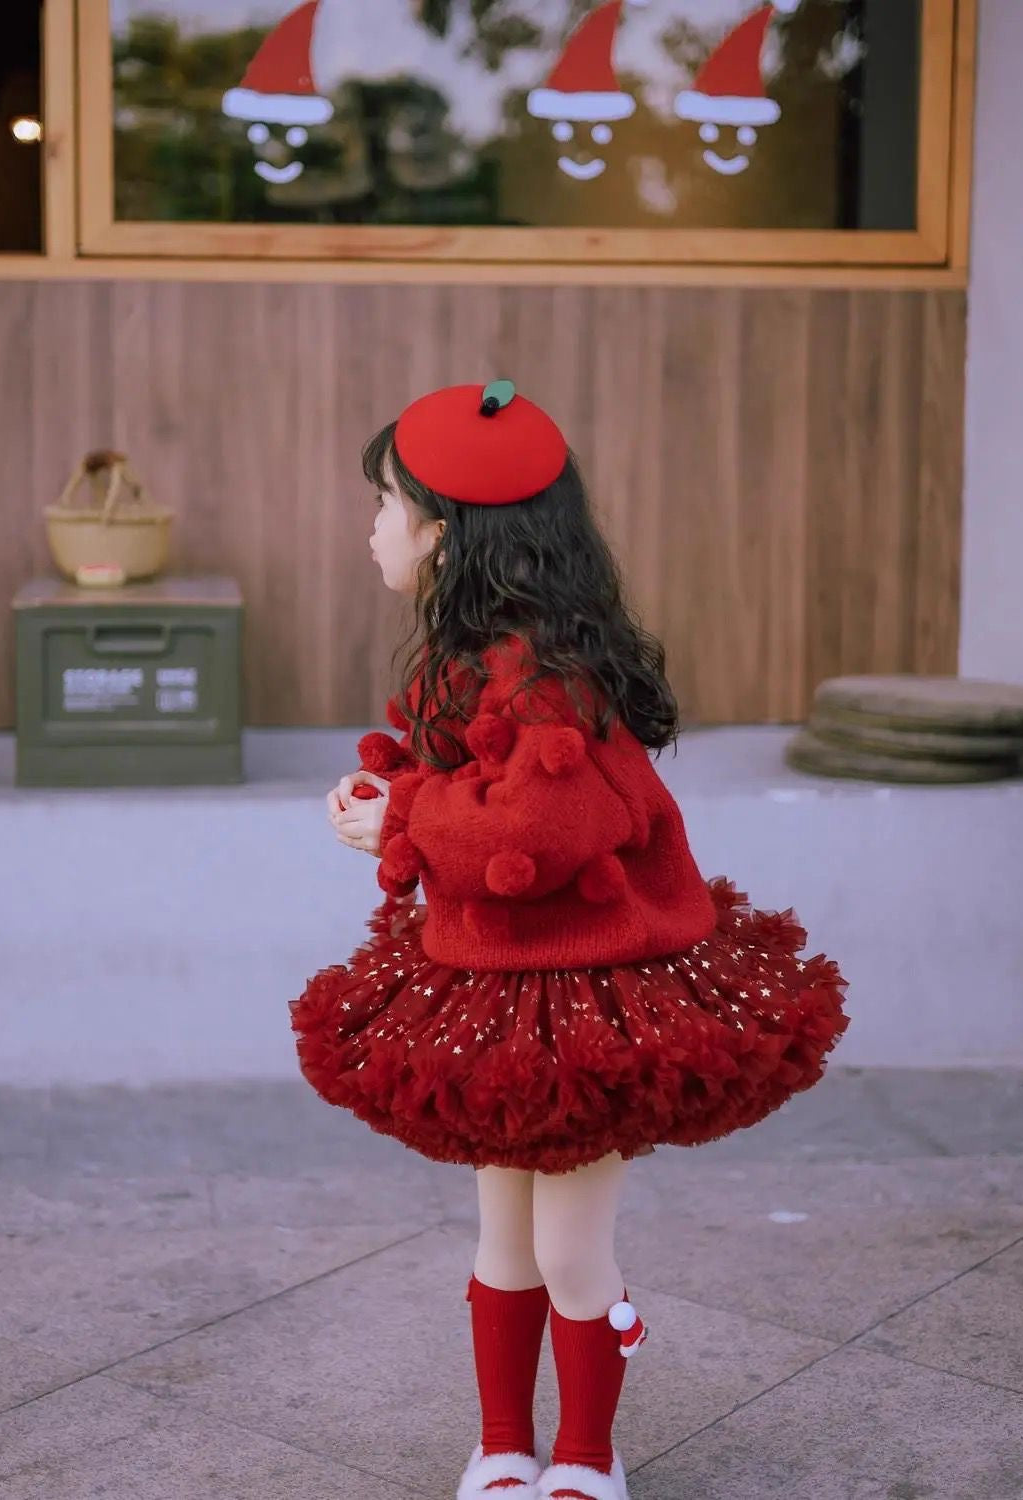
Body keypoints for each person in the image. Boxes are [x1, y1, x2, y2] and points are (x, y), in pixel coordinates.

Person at [289, 380, 849, 1500]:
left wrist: (399, 821)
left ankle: (588, 1455)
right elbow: (468, 782)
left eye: (385, 505)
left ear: (445, 537)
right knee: (503, 1235)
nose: (370, 528)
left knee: (565, 1249)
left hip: (586, 996)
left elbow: (535, 829)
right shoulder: (475, 659)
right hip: (495, 976)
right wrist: (396, 785)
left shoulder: (549, 678)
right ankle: (503, 1444)